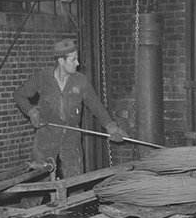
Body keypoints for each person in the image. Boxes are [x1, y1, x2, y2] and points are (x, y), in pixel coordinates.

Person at [13, 38, 126, 177]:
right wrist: (32, 112)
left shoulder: (80, 81)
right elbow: (19, 95)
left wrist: (111, 126)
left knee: (74, 185)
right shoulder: (43, 77)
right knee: (35, 185)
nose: (77, 63)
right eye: (73, 60)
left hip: (71, 140)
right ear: (61, 61)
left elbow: (96, 105)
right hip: (46, 137)